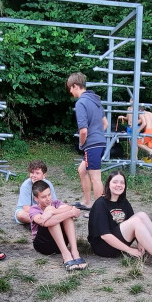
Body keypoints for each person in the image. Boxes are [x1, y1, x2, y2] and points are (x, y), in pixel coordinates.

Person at [87, 171, 152, 272]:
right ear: (108, 184)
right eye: (115, 182)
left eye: (122, 182)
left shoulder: (123, 202)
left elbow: (135, 225)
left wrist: (140, 243)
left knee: (142, 215)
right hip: (103, 247)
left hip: (119, 242)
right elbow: (105, 236)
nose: (119, 185)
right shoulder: (101, 204)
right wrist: (129, 250)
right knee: (136, 221)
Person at [67, 72, 107, 210]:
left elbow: (83, 131)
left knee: (95, 178)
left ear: (75, 86)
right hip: (100, 142)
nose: (70, 91)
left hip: (92, 145)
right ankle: (87, 202)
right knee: (82, 170)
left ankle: (99, 210)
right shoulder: (95, 101)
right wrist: (97, 134)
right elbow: (105, 124)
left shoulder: (81, 102)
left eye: (70, 88)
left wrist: (82, 143)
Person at [29, 180, 87, 270]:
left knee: (63, 215)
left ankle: (75, 252)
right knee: (52, 216)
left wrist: (53, 212)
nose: (48, 199)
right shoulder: (34, 209)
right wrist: (70, 212)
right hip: (43, 245)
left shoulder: (56, 203)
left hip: (62, 242)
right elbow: (44, 222)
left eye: (49, 194)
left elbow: (69, 208)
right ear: (36, 199)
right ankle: (66, 255)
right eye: (43, 197)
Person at [15, 160, 57, 225]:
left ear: (44, 175)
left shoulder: (48, 184)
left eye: (37, 173)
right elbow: (26, 209)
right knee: (21, 215)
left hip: (44, 209)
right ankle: (44, 222)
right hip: (29, 211)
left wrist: (49, 211)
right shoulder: (26, 186)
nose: (34, 176)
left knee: (60, 210)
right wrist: (41, 215)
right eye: (32, 173)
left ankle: (42, 222)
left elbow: (54, 203)